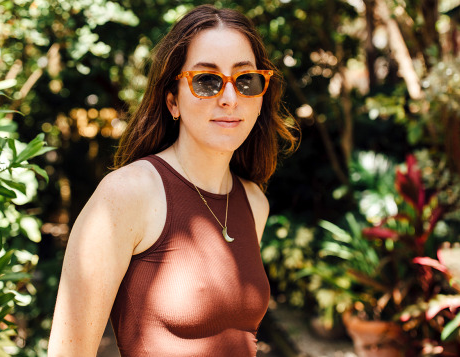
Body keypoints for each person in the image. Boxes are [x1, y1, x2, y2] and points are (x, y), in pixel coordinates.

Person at [48, 4, 298, 357]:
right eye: (206, 81)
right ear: (172, 101)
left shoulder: (254, 202)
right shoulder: (126, 195)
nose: (230, 98)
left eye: (246, 80)